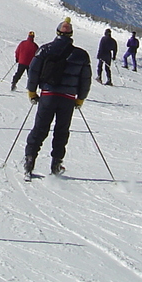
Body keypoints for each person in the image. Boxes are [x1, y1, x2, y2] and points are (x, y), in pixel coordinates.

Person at [24, 18, 92, 176]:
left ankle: (30, 160)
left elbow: (33, 72)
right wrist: (80, 98)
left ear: (57, 32)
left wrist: (32, 92)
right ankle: (56, 164)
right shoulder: (81, 55)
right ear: (71, 34)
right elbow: (85, 80)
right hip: (67, 99)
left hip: (48, 95)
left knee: (40, 128)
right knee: (61, 131)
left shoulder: (45, 50)